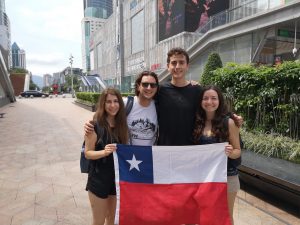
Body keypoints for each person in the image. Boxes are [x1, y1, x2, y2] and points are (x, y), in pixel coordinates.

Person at [156, 47, 242, 146]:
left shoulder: (197, 90)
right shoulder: (160, 90)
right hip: (165, 149)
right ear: (168, 66)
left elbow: (213, 106)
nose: (178, 66)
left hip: (192, 150)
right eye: (174, 63)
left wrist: (232, 116)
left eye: (181, 62)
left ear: (187, 66)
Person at [193, 85, 241, 225]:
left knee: (225, 215)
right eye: (205, 98)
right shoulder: (197, 122)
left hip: (227, 177)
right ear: (201, 101)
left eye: (214, 98)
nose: (209, 102)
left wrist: (230, 152)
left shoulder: (229, 122)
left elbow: (238, 151)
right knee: (205, 214)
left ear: (219, 101)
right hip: (204, 178)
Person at [84, 88, 129, 225]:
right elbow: (88, 153)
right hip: (98, 180)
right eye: (108, 102)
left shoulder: (122, 124)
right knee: (99, 221)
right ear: (103, 104)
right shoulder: (94, 125)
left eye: (116, 101)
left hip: (116, 181)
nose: (112, 105)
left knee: (112, 220)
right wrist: (104, 152)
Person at [85, 71, 159, 146]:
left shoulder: (159, 106)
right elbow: (104, 111)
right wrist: (90, 123)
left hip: (150, 154)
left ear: (156, 88)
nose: (149, 88)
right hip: (128, 154)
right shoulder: (127, 103)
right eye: (145, 84)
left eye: (153, 85)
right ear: (138, 86)